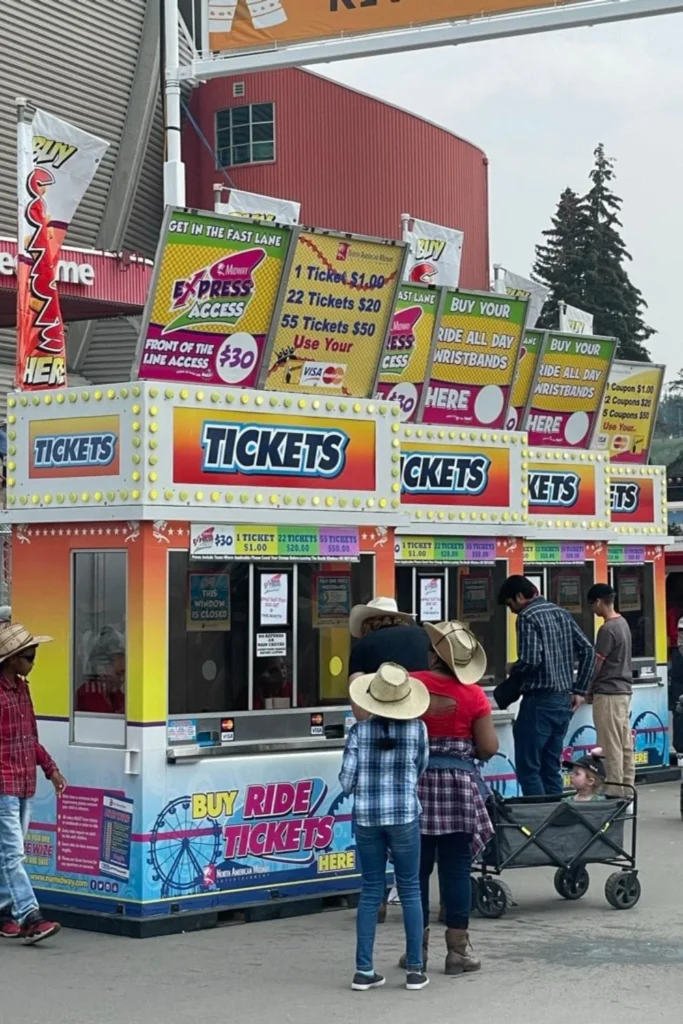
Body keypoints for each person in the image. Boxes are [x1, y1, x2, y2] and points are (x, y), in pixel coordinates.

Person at [408, 621, 498, 976]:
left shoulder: (414, 683)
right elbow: (489, 748)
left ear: (434, 656)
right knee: (457, 869)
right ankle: (458, 952)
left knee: (416, 870)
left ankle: (417, 950)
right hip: (458, 790)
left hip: (415, 787)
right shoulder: (473, 694)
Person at [340, 662, 430, 993]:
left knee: (371, 890)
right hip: (405, 815)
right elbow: (421, 767)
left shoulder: (359, 733)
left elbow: (347, 782)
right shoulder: (417, 730)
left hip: (367, 818)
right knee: (409, 889)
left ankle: (364, 970)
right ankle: (416, 971)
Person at [497, 575, 595, 797]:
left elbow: (531, 660)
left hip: (539, 702)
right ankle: (554, 823)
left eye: (510, 604)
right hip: (563, 700)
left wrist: (513, 668)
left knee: (529, 768)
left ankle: (539, 820)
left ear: (520, 596)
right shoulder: (561, 612)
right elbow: (588, 650)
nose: (512, 610)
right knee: (550, 767)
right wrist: (579, 690)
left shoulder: (527, 616)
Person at [0, 622, 66, 943]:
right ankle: (29, 915)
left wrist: (50, 769)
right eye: (28, 656)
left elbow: (30, 738)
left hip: (24, 783)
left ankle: (2, 913)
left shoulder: (23, 689)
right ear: (12, 658)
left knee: (9, 853)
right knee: (13, 855)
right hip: (3, 785)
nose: (33, 661)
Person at [586, 583, 635, 796]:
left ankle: (614, 794)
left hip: (608, 694)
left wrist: (586, 689)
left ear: (598, 601)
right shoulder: (623, 623)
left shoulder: (607, 629)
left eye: (591, 605)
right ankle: (628, 791)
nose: (592, 610)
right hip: (623, 693)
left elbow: (597, 664)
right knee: (624, 746)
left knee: (609, 746)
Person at [348, 597, 431, 681]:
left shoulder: (362, 645)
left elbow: (356, 682)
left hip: (385, 692)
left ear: (367, 624)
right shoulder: (425, 634)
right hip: (425, 689)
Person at [76, 626, 126, 715]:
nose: (122, 679)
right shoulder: (89, 693)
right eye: (118, 674)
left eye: (124, 673)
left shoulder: (116, 694)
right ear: (101, 669)